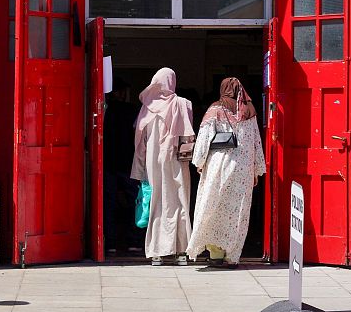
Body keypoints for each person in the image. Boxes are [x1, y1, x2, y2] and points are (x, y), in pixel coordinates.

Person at [186, 77, 266, 269]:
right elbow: (256, 142)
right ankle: (232, 256)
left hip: (218, 166)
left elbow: (205, 137)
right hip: (243, 169)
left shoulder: (215, 109)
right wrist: (256, 170)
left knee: (213, 208)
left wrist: (199, 161)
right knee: (236, 212)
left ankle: (215, 255)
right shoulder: (250, 111)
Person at [131, 68, 195, 266]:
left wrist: (139, 169)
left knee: (157, 200)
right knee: (180, 199)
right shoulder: (183, 104)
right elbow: (188, 137)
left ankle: (156, 251)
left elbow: (139, 143)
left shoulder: (147, 107)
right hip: (177, 160)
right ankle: (182, 251)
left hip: (153, 160)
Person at [103, 77, 141, 254]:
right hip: (128, 163)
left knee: (108, 203)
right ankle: (133, 241)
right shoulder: (133, 111)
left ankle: (109, 242)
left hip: (108, 162)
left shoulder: (104, 111)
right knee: (134, 202)